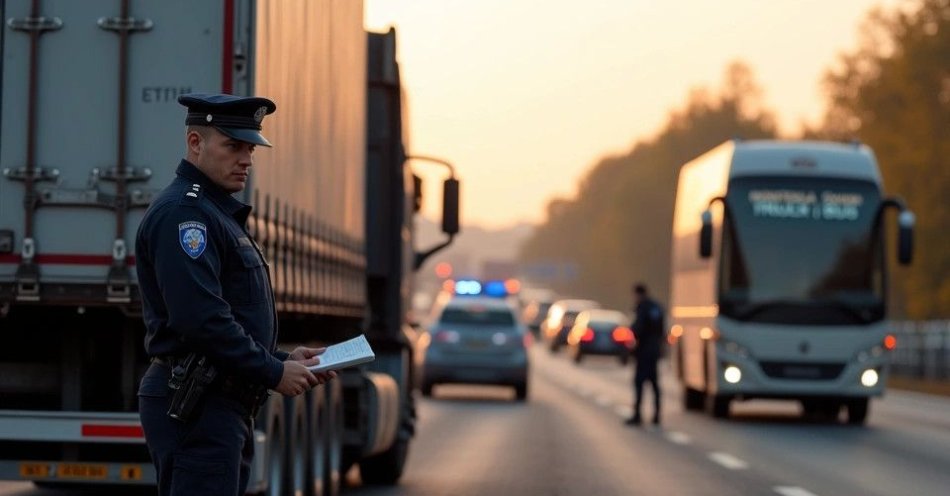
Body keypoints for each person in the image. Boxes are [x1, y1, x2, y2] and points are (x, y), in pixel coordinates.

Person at [135, 93, 335, 496]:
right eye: (233, 146)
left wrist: (282, 360)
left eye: (250, 149)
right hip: (198, 404)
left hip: (219, 401)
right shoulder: (186, 214)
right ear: (195, 142)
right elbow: (200, 320)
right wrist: (273, 373)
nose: (246, 159)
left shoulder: (213, 212)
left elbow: (227, 318)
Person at [625, 283, 665, 426]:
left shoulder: (642, 308)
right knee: (654, 384)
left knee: (639, 384)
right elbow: (661, 329)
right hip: (654, 351)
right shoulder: (656, 307)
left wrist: (632, 331)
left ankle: (637, 414)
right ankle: (657, 415)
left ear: (638, 294)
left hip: (643, 352)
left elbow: (637, 329)